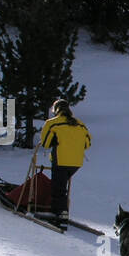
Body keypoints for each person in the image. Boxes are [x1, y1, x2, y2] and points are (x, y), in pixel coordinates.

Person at [38, 99, 91, 231]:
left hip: (60, 160)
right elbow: (88, 143)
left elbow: (45, 143)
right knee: (61, 186)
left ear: (55, 110)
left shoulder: (52, 123)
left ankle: (59, 215)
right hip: (76, 162)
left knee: (59, 189)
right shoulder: (80, 124)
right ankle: (61, 212)